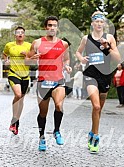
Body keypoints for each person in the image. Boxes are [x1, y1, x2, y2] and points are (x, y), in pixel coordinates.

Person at [75, 11, 121, 153]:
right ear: (92, 23)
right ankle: (95, 137)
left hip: (105, 75)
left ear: (104, 24)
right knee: (95, 106)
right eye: (96, 21)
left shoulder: (109, 38)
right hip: (91, 74)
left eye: (101, 22)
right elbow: (78, 52)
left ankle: (92, 131)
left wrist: (107, 47)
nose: (99, 24)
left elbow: (117, 59)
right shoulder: (86, 38)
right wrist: (82, 59)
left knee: (99, 109)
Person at [27, 16, 72, 151]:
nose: (52, 28)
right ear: (45, 27)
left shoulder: (63, 44)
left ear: (57, 28)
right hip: (43, 82)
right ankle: (42, 137)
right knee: (43, 113)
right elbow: (27, 60)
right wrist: (32, 58)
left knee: (59, 105)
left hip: (58, 81)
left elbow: (66, 60)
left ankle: (56, 130)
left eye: (54, 25)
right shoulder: (37, 43)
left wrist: (67, 66)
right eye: (50, 25)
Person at [2, 26, 31, 135]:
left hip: (25, 76)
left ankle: (16, 122)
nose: (20, 34)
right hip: (13, 73)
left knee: (21, 100)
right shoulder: (9, 45)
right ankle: (13, 120)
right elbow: (4, 54)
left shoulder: (29, 46)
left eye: (22, 32)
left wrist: (27, 55)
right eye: (18, 32)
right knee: (18, 95)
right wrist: (6, 60)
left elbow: (34, 59)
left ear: (24, 35)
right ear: (15, 35)